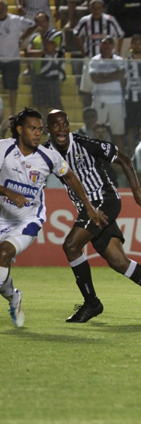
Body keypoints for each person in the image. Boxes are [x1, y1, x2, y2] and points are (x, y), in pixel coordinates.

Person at [44, 109, 141, 323]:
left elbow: (123, 159)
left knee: (71, 246)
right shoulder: (46, 152)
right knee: (119, 262)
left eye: (65, 124)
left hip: (104, 200)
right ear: (48, 129)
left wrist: (136, 190)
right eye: (56, 125)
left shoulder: (86, 144)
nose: (62, 129)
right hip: (88, 207)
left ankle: (92, 303)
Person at [0, 109, 102, 327]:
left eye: (39, 129)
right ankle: (12, 296)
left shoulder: (49, 156)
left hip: (28, 219)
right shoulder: (3, 148)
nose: (38, 134)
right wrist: (6, 191)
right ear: (19, 130)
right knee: (1, 270)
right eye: (32, 129)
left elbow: (71, 176)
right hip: (2, 215)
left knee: (4, 253)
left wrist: (88, 206)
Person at [89, 36, 127, 153]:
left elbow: (122, 76)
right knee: (97, 133)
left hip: (116, 101)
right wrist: (114, 75)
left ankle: (119, 163)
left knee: (117, 134)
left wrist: (104, 76)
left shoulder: (119, 60)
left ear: (113, 46)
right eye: (104, 43)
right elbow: (95, 78)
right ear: (100, 45)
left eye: (109, 43)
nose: (106, 46)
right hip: (100, 101)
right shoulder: (94, 60)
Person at [0, 1, 37, 115]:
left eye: (2, 8)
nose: (0, 11)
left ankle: (13, 113)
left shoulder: (15, 20)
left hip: (12, 57)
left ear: (6, 9)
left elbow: (33, 25)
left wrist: (22, 38)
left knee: (13, 88)